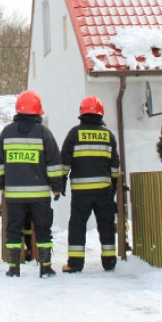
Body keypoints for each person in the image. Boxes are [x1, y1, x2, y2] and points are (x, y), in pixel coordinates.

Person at [0, 90, 64, 278]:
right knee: (42, 230)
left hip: (14, 194)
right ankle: (46, 267)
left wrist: (1, 184)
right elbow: (54, 163)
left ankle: (14, 268)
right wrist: (57, 187)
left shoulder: (7, 132)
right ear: (37, 111)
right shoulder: (43, 133)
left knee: (13, 230)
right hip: (39, 194)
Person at [60, 95, 121, 273]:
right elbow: (115, 166)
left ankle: (75, 264)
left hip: (81, 191)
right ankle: (109, 262)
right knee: (106, 225)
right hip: (103, 190)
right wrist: (113, 188)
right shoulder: (108, 135)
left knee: (77, 225)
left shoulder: (74, 134)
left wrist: (61, 181)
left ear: (82, 113)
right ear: (101, 114)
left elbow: (64, 161)